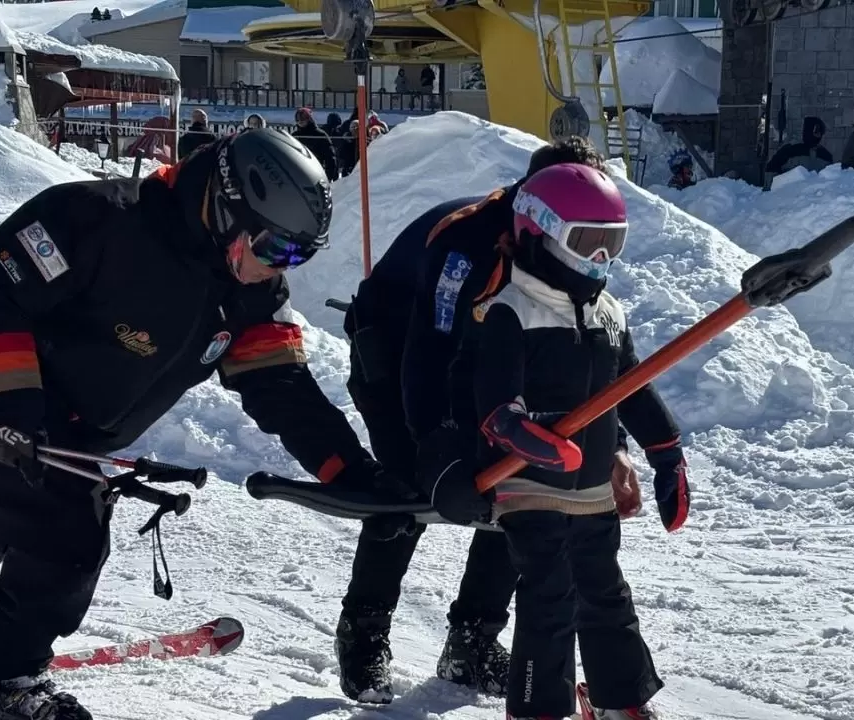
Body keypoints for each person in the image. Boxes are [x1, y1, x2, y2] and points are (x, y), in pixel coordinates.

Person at [0, 129, 394, 720]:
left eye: (299, 256)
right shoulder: (96, 219)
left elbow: (280, 385)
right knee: (67, 537)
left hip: (77, 420)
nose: (281, 268)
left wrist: (348, 471)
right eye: (276, 249)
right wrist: (8, 409)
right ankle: (7, 685)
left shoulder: (251, 292)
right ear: (229, 210)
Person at [336, 136, 644, 703]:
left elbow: (585, 366)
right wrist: (437, 452)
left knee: (523, 485)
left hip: (486, 360)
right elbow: (428, 354)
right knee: (406, 489)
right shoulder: (468, 242)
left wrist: (615, 445)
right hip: (396, 350)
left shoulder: (574, 246)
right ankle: (364, 632)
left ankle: (472, 641)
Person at [438, 162, 688, 720]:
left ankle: (620, 701)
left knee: (605, 591)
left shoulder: (608, 313)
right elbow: (495, 405)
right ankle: (538, 708)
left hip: (591, 485)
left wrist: (665, 452)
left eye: (611, 244)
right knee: (550, 592)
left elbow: (632, 388)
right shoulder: (510, 309)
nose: (600, 258)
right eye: (586, 242)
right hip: (528, 482)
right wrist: (526, 437)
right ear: (539, 232)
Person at [766, 116, 833, 174]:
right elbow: (770, 171)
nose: (819, 135)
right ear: (808, 130)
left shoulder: (826, 156)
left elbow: (829, 180)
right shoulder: (789, 150)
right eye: (816, 131)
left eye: (821, 132)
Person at [291, 107, 340, 181]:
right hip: (298, 174)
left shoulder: (320, 135)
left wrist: (328, 177)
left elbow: (330, 157)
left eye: (303, 119)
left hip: (316, 173)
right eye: (298, 120)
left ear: (309, 119)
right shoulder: (295, 136)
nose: (300, 121)